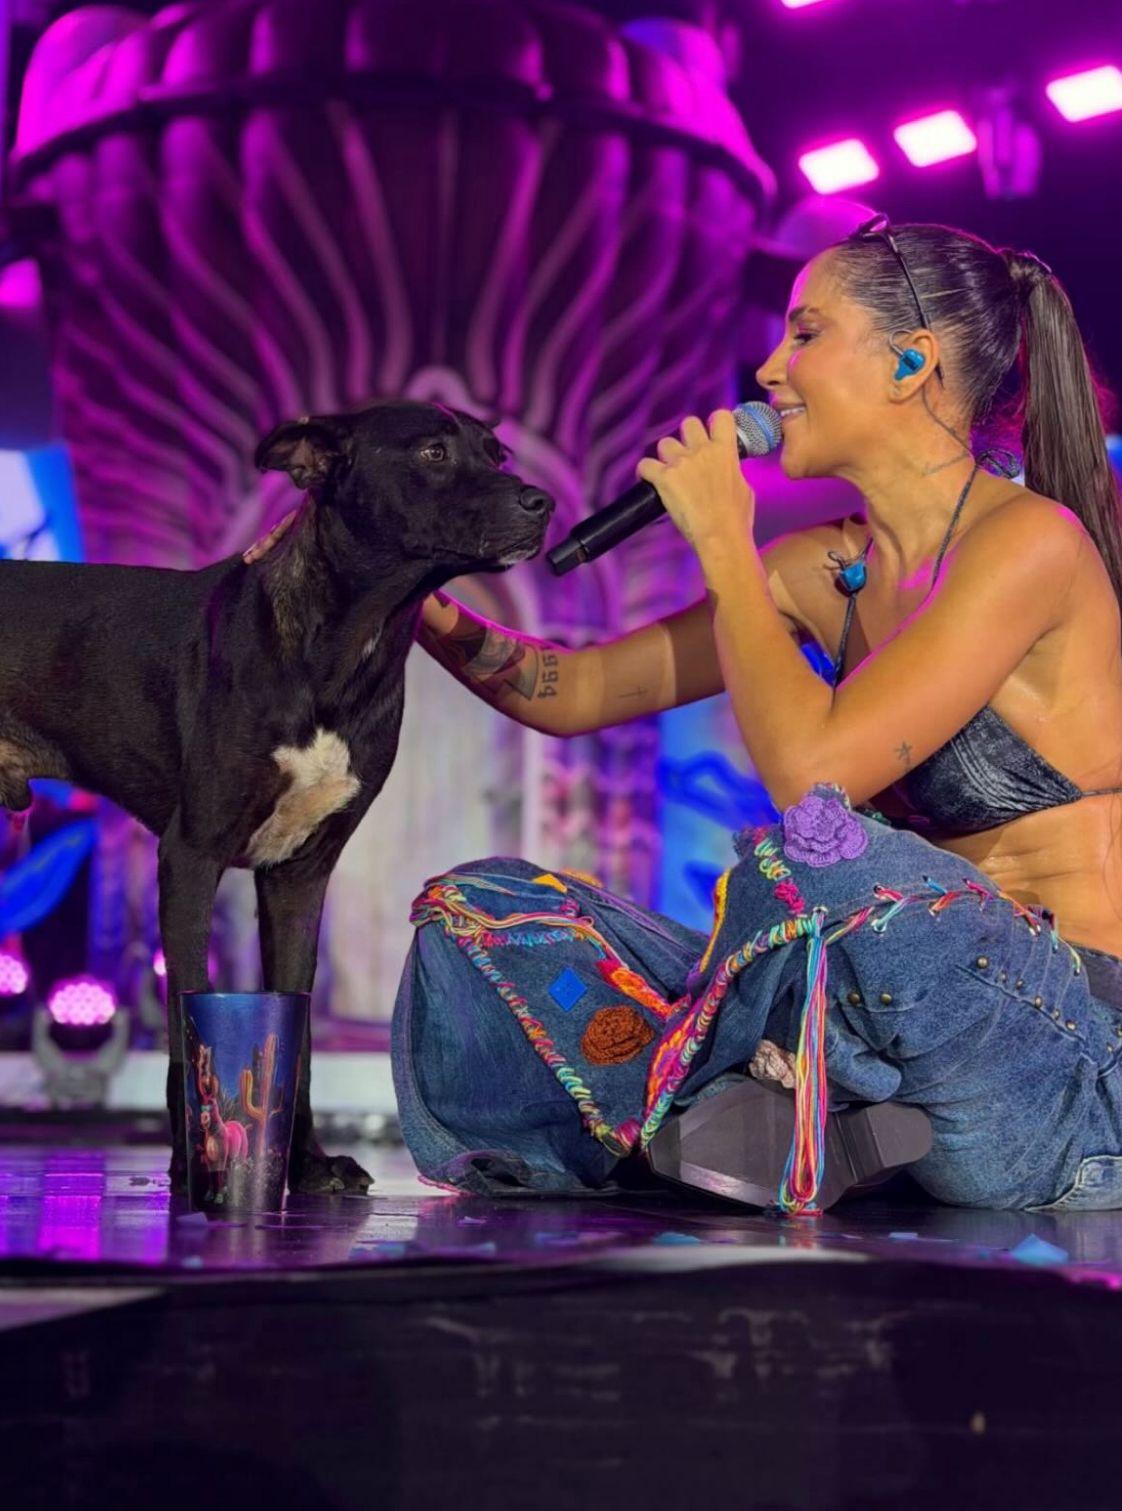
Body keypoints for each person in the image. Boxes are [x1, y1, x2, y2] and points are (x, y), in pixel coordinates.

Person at [245, 217, 1122, 1214]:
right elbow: (573, 693)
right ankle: (790, 1123)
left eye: (805, 333)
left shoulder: (1028, 544)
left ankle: (747, 1110)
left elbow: (815, 779)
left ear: (910, 361)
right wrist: (415, 599)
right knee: (482, 911)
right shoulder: (821, 569)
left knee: (825, 849)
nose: (769, 366)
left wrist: (723, 542)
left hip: (1060, 1064)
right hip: (879, 1034)